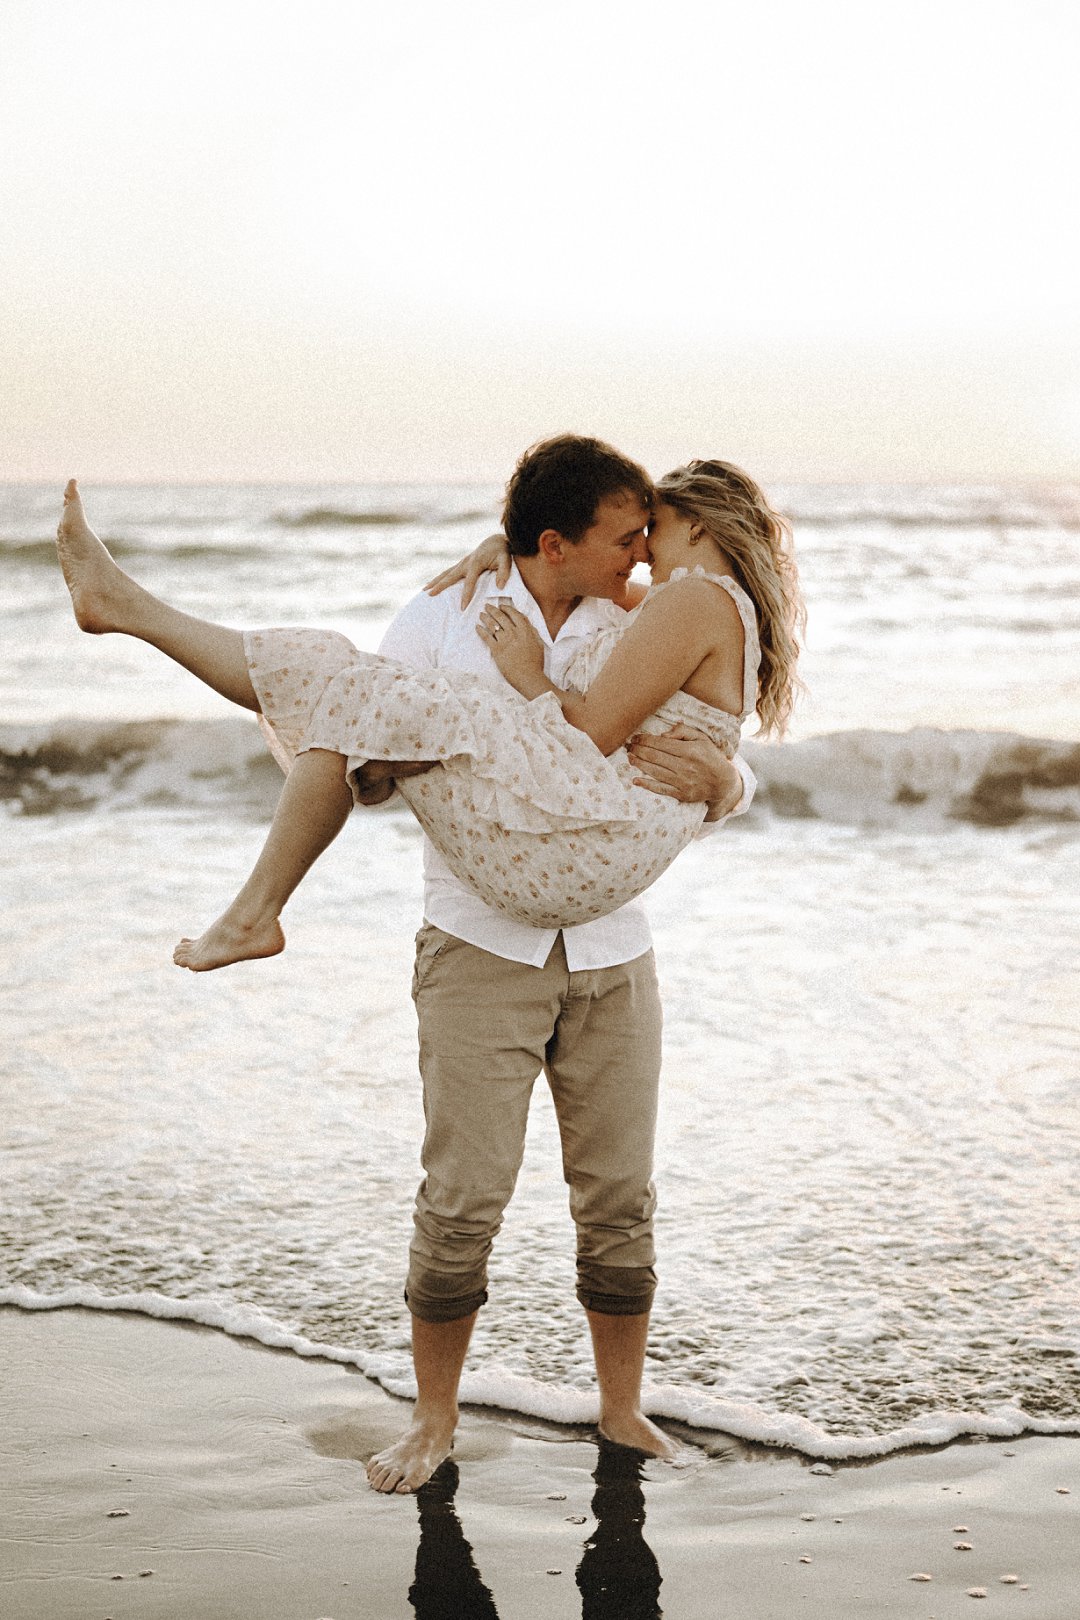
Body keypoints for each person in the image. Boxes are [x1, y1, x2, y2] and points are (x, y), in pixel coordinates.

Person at [55, 436, 801, 1490]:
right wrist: (387, 763)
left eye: (649, 535)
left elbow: (700, 731)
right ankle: (433, 1418)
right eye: (626, 537)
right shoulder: (444, 614)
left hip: (610, 948)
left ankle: (622, 1407)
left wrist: (729, 785)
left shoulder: (633, 607)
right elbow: (356, 767)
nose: (638, 554)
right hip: (479, 942)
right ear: (554, 541)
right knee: (460, 1203)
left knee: (619, 1199)